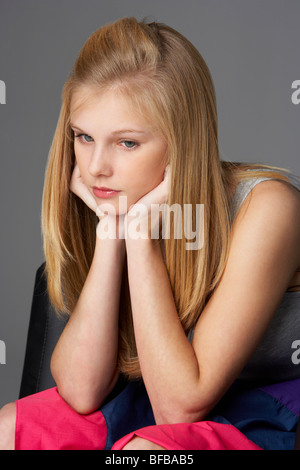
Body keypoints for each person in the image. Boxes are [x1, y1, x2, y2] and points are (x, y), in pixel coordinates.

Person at [0, 16, 300, 451]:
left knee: (144, 455)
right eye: (84, 137)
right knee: (11, 428)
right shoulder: (118, 202)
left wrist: (141, 241)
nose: (96, 166)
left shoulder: (268, 208)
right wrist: (113, 234)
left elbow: (179, 409)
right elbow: (82, 391)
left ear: (181, 141)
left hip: (265, 412)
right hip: (152, 397)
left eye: (127, 143)